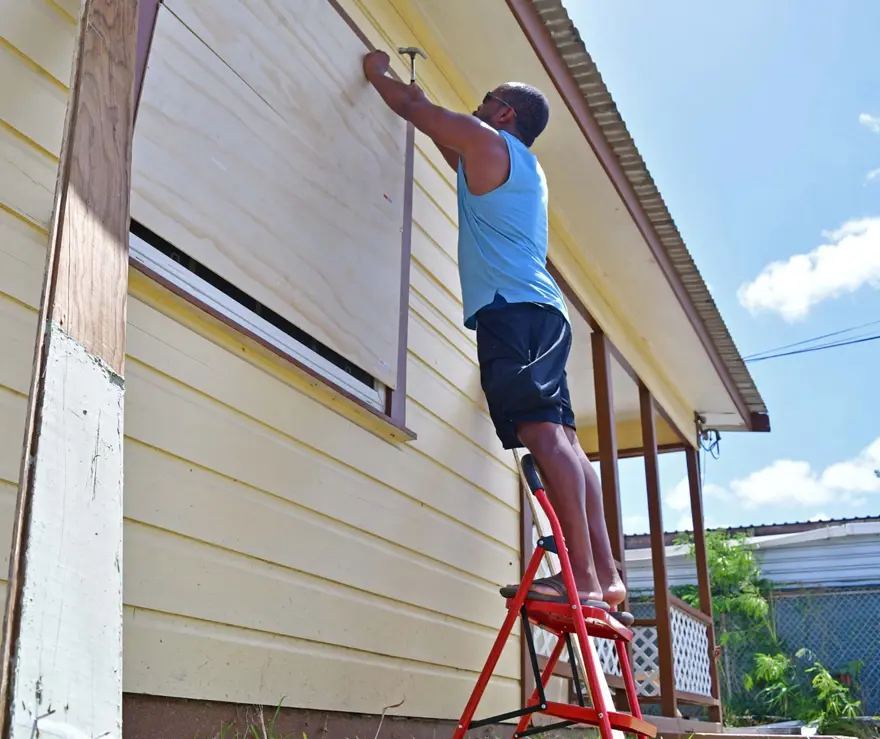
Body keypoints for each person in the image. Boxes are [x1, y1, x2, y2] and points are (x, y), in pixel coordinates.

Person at [363, 50, 625, 610]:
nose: (476, 107)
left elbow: (413, 108)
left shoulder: (486, 140)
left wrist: (377, 70)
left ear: (504, 113)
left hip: (512, 311)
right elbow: (444, 140)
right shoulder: (519, 166)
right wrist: (424, 107)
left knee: (542, 435)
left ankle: (580, 581)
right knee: (568, 444)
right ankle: (606, 576)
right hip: (542, 312)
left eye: (485, 100)